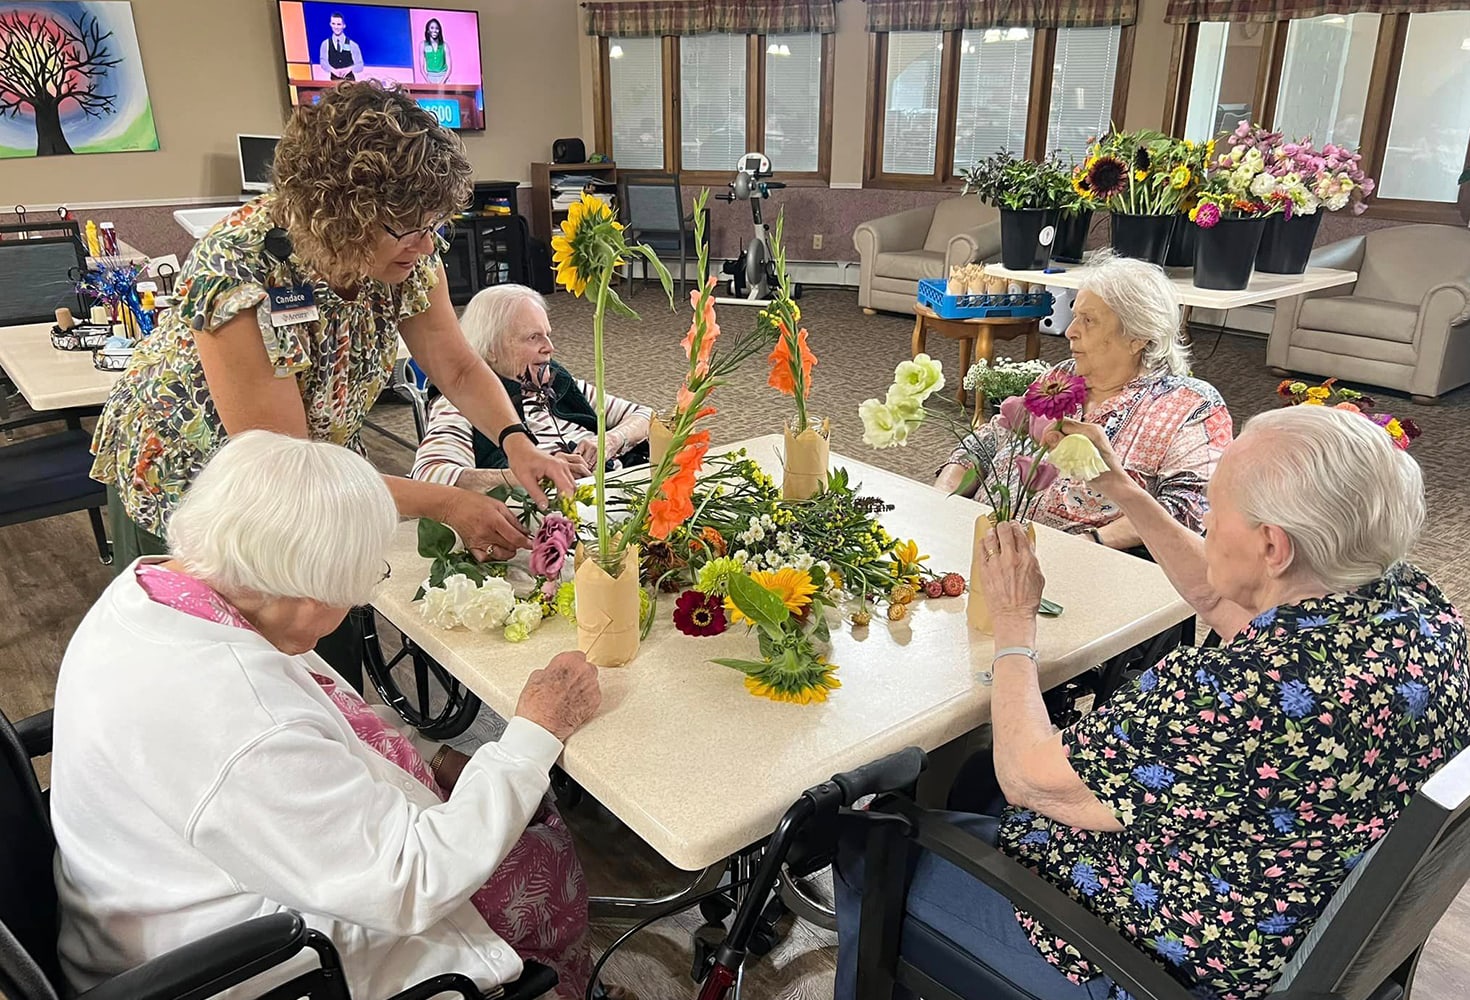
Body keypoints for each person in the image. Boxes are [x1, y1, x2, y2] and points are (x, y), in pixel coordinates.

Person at [835, 405, 1470, 1000]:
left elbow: (1025, 777)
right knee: (972, 776)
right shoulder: (1418, 610)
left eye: (1215, 510)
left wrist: (1014, 622)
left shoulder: (1237, 695)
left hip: (1147, 960)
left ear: (1273, 547)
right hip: (1278, 900)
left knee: (870, 841)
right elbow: (1224, 601)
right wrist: (1122, 487)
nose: (1206, 523)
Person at [52, 432, 617, 1000]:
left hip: (167, 891)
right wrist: (535, 734)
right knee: (532, 849)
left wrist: (428, 755)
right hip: (240, 965)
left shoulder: (165, 590)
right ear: (306, 596)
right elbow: (410, 883)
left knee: (513, 812)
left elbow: (321, 715)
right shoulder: (241, 720)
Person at [89, 81, 573, 686]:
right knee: (231, 678)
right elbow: (288, 472)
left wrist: (515, 440)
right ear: (340, 214)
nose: (428, 243)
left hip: (318, 461)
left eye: (434, 223)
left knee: (328, 662)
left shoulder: (407, 248)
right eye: (409, 228)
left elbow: (455, 365)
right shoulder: (239, 268)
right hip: (200, 480)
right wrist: (449, 502)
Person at [937, 252, 1232, 548]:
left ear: (1138, 337)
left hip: (1074, 561)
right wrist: (941, 498)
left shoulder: (1190, 407)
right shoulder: (1062, 376)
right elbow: (990, 439)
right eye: (1075, 316)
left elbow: (1188, 510)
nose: (1070, 331)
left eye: (1088, 320)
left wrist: (1089, 543)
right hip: (982, 538)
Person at [412, 284, 653, 490]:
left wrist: (610, 440)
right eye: (533, 337)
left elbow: (646, 416)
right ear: (492, 349)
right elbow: (429, 475)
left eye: (547, 335)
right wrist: (527, 475)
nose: (549, 347)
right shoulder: (463, 402)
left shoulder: (555, 381)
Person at [318, 11, 364, 80]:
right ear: (330, 24)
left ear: (344, 25)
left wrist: (348, 69)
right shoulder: (325, 44)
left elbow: (360, 65)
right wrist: (333, 70)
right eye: (333, 24)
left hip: (350, 82)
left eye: (339, 24)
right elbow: (323, 62)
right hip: (333, 81)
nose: (336, 27)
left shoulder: (353, 45)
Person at [417, 17, 452, 85]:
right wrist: (429, 82)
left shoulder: (445, 45)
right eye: (432, 28)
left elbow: (449, 68)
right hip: (430, 77)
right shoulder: (423, 45)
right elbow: (421, 68)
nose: (435, 30)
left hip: (444, 77)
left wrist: (442, 83)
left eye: (437, 28)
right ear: (428, 30)